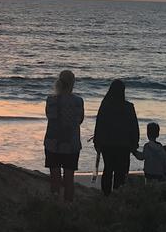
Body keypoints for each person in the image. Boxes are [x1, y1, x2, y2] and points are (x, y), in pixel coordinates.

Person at [44, 70, 85, 202]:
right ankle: (68, 206)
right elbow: (79, 120)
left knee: (54, 178)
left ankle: (55, 206)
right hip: (71, 144)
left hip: (53, 143)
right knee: (69, 179)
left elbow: (50, 117)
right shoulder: (78, 101)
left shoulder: (51, 100)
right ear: (72, 83)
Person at [93, 79, 139, 195]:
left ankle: (106, 195)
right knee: (121, 172)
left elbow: (99, 125)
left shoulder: (105, 105)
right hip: (124, 145)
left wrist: (97, 143)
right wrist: (134, 144)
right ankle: (118, 195)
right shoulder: (128, 107)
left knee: (108, 169)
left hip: (107, 144)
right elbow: (134, 127)